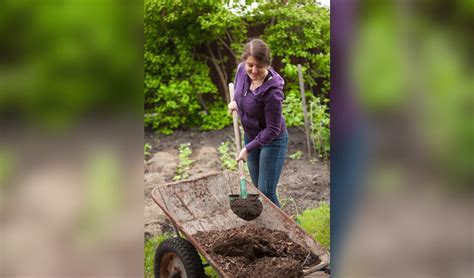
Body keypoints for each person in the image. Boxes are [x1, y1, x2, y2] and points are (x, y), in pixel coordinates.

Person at [228, 38, 288, 207]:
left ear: (267, 64)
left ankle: (286, 228)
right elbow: (239, 91)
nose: (253, 70)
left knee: (266, 192)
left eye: (259, 66)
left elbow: (273, 129)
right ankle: (268, 228)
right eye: (250, 65)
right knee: (259, 189)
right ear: (244, 62)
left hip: (272, 141)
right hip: (251, 136)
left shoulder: (273, 92)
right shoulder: (242, 70)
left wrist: (247, 149)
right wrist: (235, 102)